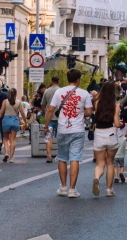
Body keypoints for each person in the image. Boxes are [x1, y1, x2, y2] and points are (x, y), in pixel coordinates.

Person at [44, 69, 94, 198]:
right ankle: (73, 189)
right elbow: (89, 112)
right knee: (75, 158)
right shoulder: (84, 94)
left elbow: (50, 110)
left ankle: (63, 187)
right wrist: (81, 111)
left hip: (62, 129)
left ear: (67, 79)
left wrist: (46, 126)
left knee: (62, 157)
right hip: (78, 130)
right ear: (78, 80)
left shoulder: (58, 92)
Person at [92, 82, 121, 197]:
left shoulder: (97, 103)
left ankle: (96, 177)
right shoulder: (116, 105)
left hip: (99, 134)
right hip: (110, 134)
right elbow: (117, 124)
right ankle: (109, 189)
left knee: (100, 164)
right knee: (110, 163)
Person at [0, 88, 27, 163]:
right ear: (16, 94)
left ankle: (6, 153)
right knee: (12, 140)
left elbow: (1, 112)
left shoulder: (5, 101)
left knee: (6, 139)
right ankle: (11, 158)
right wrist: (25, 122)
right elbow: (22, 113)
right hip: (15, 120)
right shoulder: (19, 102)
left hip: (6, 120)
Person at [41, 76, 61, 163]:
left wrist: (44, 112)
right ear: (58, 81)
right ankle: (60, 155)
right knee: (61, 137)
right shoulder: (61, 91)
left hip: (49, 117)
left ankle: (49, 155)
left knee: (49, 137)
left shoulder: (47, 91)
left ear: (51, 81)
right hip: (60, 118)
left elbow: (43, 104)